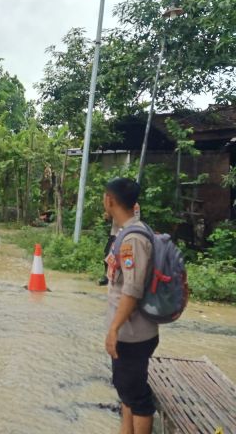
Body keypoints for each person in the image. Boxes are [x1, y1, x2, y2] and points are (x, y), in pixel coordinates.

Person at [103, 178, 158, 434]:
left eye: (105, 196)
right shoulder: (126, 230)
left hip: (133, 334)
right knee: (126, 391)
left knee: (138, 398)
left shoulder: (133, 240)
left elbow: (132, 290)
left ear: (110, 200)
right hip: (130, 331)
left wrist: (114, 329)